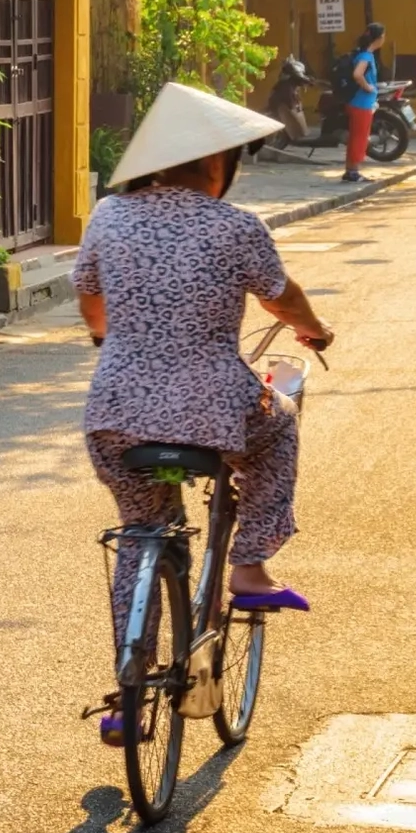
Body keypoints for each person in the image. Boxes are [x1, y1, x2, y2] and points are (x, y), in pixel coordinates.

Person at [72, 82, 334, 743]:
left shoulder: (109, 215)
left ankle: (129, 694)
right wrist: (315, 329)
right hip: (214, 410)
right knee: (278, 427)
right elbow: (283, 298)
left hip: (115, 414)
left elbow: (91, 300)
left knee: (142, 529)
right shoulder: (237, 226)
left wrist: (113, 340)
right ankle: (248, 563)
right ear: (220, 164)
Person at [343, 22, 385, 184]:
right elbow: (357, 74)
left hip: (359, 102)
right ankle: (353, 172)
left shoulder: (364, 54)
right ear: (379, 38)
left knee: (357, 137)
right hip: (362, 103)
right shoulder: (366, 56)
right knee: (359, 138)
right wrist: (368, 87)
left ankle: (350, 171)